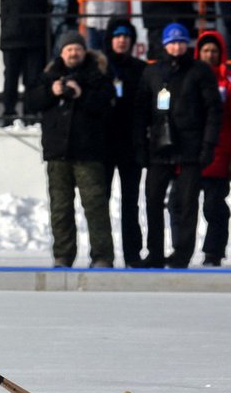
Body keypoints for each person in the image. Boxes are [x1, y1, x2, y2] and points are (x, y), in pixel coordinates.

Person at [133, 23, 222, 268]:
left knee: (186, 203)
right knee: (153, 200)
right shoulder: (152, 72)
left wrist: (208, 145)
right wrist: (140, 145)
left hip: (190, 147)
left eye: (181, 42)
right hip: (160, 147)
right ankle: (155, 253)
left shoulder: (200, 71)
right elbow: (140, 111)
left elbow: (213, 110)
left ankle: (182, 254)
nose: (176, 47)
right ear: (164, 44)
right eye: (172, 42)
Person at [25, 31, 116, 268]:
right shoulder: (49, 75)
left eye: (77, 49)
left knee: (95, 206)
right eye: (69, 49)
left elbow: (106, 105)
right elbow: (31, 102)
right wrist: (51, 92)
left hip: (89, 152)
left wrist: (81, 94)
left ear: (84, 51)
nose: (73, 53)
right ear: (61, 53)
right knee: (60, 208)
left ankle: (102, 255)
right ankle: (63, 255)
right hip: (58, 153)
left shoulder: (98, 74)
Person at [167, 31, 231, 267]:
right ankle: (180, 250)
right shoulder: (185, 77)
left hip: (219, 155)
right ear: (198, 53)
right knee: (178, 204)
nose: (210, 55)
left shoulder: (227, 82)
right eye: (205, 50)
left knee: (214, 206)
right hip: (188, 153)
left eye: (214, 51)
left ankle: (213, 252)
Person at [103, 18, 146, 268]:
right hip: (105, 146)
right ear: (110, 39)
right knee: (101, 202)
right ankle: (102, 254)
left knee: (131, 203)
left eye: (126, 36)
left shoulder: (141, 69)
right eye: (117, 36)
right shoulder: (100, 68)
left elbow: (152, 103)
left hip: (131, 145)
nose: (122, 40)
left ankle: (132, 254)